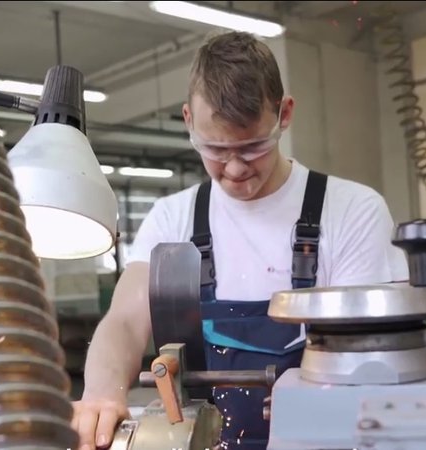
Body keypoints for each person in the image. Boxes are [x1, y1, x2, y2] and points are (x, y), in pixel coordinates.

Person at [71, 31, 409, 450]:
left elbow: (370, 359)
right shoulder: (173, 220)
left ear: (284, 114)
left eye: (253, 147)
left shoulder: (351, 211)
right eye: (213, 149)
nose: (233, 169)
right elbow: (123, 321)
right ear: (188, 121)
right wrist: (102, 393)